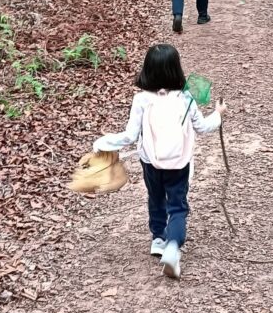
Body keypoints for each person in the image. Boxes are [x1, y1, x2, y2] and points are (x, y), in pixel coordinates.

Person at [93, 43, 225, 280]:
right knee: (177, 205)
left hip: (150, 162)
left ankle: (158, 239)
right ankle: (173, 246)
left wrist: (103, 142)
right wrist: (218, 114)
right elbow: (203, 127)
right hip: (179, 164)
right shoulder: (186, 98)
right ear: (177, 70)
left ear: (148, 71)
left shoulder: (142, 100)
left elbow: (130, 136)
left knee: (155, 196)